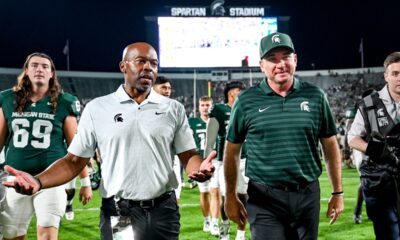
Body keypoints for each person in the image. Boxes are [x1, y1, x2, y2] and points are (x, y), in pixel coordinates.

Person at [3, 42, 215, 240]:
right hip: (119, 208)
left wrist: (199, 167)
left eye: (153, 63)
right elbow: (73, 161)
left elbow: (188, 156)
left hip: (164, 209)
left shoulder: (173, 108)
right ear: (123, 66)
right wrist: (39, 181)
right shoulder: (98, 108)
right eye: (141, 61)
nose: (148, 68)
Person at [223, 32, 344, 240]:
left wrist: (338, 192)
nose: (280, 64)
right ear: (262, 65)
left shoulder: (316, 96)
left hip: (307, 193)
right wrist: (231, 196)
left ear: (295, 60)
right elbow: (232, 150)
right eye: (272, 59)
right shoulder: (246, 101)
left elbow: (330, 147)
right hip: (264, 196)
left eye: (285, 57)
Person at [0, 52, 92, 240]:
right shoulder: (8, 99)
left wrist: (85, 183)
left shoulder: (65, 102)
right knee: (12, 236)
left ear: (52, 74)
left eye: (45, 66)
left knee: (48, 236)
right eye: (34, 65)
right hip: (16, 180)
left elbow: (76, 148)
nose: (39, 69)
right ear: (26, 71)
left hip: (51, 180)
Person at [348, 52, 400, 239]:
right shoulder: (369, 104)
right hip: (380, 180)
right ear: (386, 76)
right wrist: (372, 149)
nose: (399, 78)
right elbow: (352, 137)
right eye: (395, 73)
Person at [205, 81, 248, 240]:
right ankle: (224, 231)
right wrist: (207, 160)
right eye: (239, 91)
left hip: (245, 159)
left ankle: (241, 233)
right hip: (225, 160)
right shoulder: (219, 110)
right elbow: (210, 139)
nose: (242, 94)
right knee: (226, 196)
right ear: (231, 93)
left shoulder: (246, 109)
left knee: (243, 196)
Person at [188, 96, 213, 232]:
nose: (205, 108)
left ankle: (216, 220)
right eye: (203, 105)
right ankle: (207, 220)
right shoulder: (192, 122)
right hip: (201, 161)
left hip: (217, 161)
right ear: (198, 107)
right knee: (204, 192)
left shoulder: (217, 121)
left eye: (208, 105)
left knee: (217, 192)